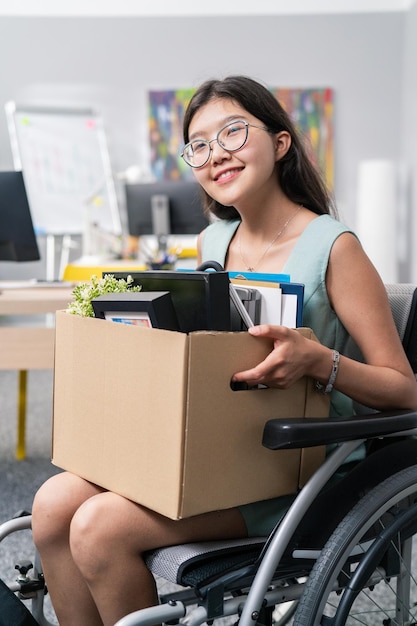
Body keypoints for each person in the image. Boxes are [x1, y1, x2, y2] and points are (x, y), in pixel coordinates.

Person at [31, 75, 417, 626]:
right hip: (218, 450)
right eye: (200, 145)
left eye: (233, 132)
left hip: (294, 468)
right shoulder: (214, 242)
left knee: (98, 526)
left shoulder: (333, 247)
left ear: (281, 143)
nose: (217, 155)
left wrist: (317, 362)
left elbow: (404, 388)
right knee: (50, 505)